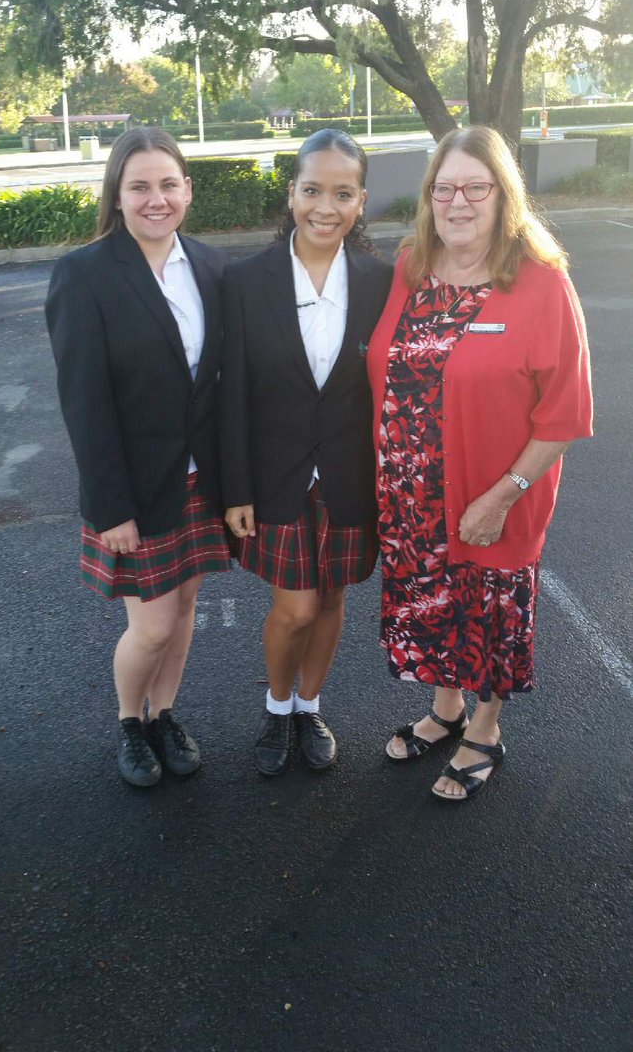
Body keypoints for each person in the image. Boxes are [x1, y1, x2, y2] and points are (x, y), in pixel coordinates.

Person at [367, 125, 593, 802]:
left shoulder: (540, 283)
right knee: (434, 605)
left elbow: (565, 414)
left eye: (475, 188)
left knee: (489, 614)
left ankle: (485, 730)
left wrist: (502, 495)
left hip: (490, 497)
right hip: (409, 495)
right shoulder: (412, 266)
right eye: (444, 189)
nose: (457, 202)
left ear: (503, 196)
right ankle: (446, 710)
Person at [46, 127, 231, 788]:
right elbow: (84, 404)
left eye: (168, 184)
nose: (157, 199)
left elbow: (218, 385)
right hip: (134, 488)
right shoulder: (84, 274)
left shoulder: (210, 267)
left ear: (188, 190)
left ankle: (164, 715)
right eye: (140, 186)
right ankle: (130, 721)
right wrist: (110, 508)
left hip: (200, 481)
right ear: (117, 195)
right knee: (151, 626)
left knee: (183, 610)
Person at [221, 129, 393, 776]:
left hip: (351, 475)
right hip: (277, 476)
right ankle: (276, 707)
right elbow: (232, 393)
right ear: (291, 194)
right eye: (313, 190)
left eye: (343, 194)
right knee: (294, 607)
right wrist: (236, 488)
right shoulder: (245, 280)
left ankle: (308, 706)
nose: (326, 207)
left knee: (331, 600)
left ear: (361, 202)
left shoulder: (381, 282)